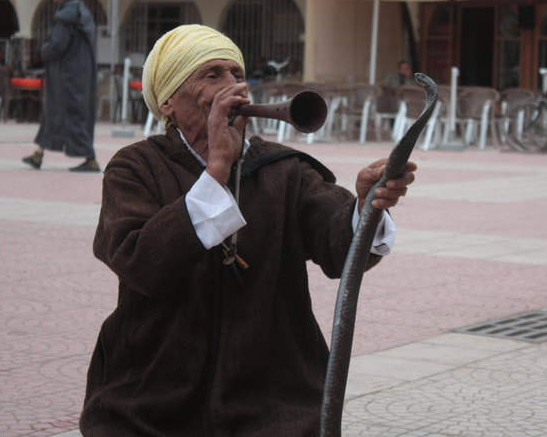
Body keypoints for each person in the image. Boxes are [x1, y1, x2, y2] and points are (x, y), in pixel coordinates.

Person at [79, 25, 417, 436]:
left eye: (237, 75)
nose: (234, 87)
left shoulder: (282, 167)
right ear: (168, 100)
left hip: (274, 405)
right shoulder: (134, 168)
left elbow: (337, 248)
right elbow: (142, 265)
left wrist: (366, 206)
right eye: (212, 75)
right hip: (150, 402)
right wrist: (217, 168)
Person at [22, 0, 99, 172]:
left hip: (67, 76)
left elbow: (57, 46)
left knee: (71, 114)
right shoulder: (81, 11)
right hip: (77, 74)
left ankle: (90, 159)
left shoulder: (67, 15)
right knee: (54, 113)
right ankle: (38, 155)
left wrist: (43, 50)